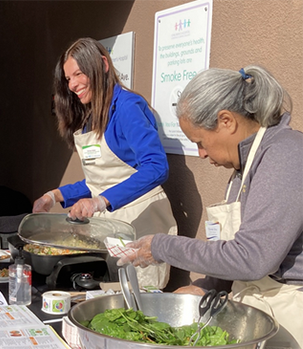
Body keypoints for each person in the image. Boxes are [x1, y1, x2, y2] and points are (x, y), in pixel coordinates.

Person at [119, 65, 303, 346]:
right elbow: (233, 250)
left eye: (200, 142)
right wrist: (205, 286)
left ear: (226, 121)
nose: (202, 154)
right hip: (256, 309)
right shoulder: (243, 167)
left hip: (290, 315)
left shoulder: (286, 156)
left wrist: (162, 246)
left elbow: (252, 258)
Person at [32, 37, 177, 289]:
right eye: (68, 79)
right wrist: (53, 196)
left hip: (141, 223)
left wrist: (100, 201)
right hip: (111, 227)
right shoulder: (92, 115)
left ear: (103, 65)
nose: (73, 84)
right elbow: (100, 180)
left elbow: (156, 166)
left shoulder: (128, 107)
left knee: (138, 304)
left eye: (78, 74)